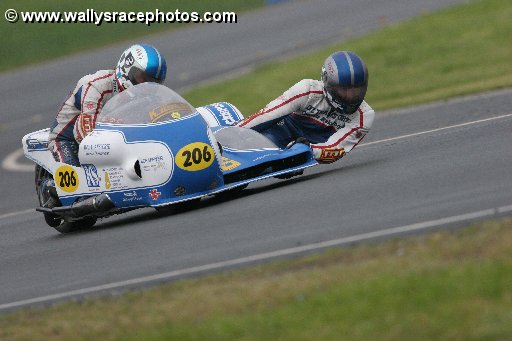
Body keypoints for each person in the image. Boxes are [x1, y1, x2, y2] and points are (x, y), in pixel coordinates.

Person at [237, 51, 374, 164]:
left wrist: (306, 149)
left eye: (356, 90)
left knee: (285, 160)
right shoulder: (307, 89)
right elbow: (267, 115)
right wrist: (235, 133)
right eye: (344, 90)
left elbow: (335, 149)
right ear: (327, 83)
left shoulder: (364, 115)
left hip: (306, 151)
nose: (350, 97)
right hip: (280, 132)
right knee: (255, 145)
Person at [48, 43, 168, 166]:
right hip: (68, 139)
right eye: (143, 78)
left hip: (113, 142)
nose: (146, 86)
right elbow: (85, 132)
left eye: (153, 82)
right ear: (128, 67)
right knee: (75, 178)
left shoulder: (148, 98)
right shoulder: (96, 85)